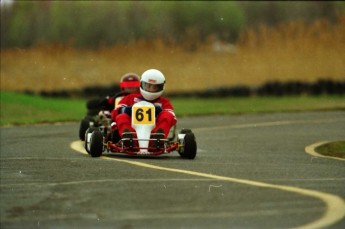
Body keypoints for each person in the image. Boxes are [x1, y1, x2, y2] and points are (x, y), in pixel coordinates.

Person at [111, 69, 176, 147]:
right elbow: (115, 112)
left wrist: (160, 111)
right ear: (141, 84)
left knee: (167, 115)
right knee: (121, 116)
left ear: (160, 87)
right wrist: (126, 110)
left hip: (154, 132)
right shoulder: (130, 98)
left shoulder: (163, 102)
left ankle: (158, 138)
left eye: (154, 87)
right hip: (133, 131)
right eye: (147, 85)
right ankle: (129, 138)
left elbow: (172, 117)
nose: (150, 89)